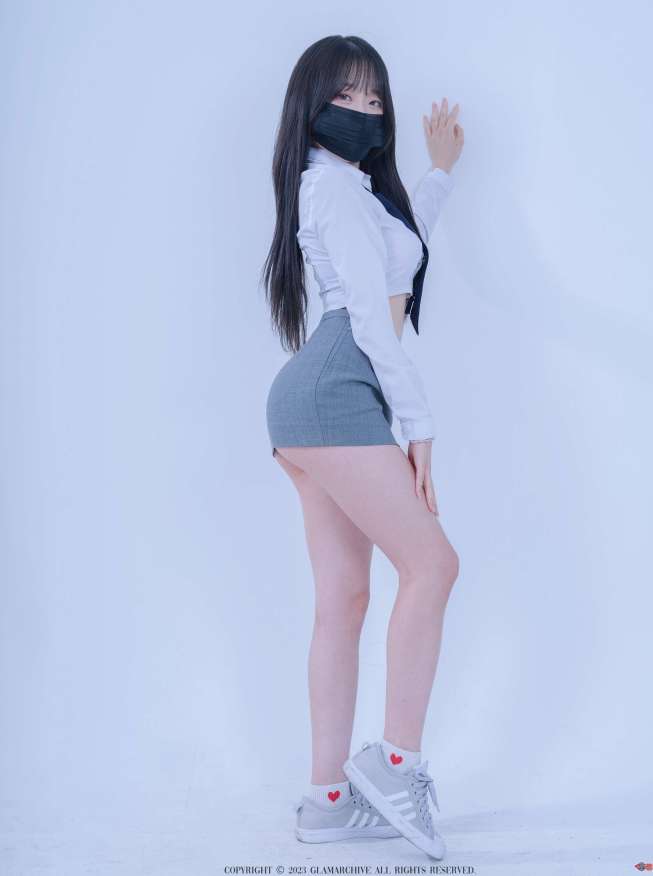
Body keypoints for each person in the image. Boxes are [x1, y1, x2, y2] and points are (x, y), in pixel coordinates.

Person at [261, 34, 464, 860]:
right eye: (346, 96)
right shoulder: (329, 189)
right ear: (311, 106)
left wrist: (438, 176)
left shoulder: (349, 190)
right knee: (433, 566)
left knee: (344, 598)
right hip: (338, 387)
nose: (364, 111)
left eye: (375, 99)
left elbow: (397, 255)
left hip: (317, 398)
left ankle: (328, 802)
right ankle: (395, 763)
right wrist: (420, 429)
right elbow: (378, 329)